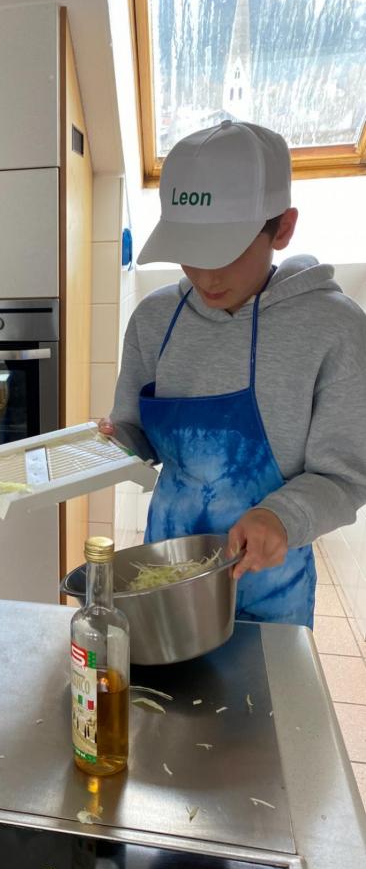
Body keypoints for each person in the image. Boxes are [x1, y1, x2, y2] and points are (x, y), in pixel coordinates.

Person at [101, 120, 366, 628]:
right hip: (168, 572)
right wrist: (116, 443)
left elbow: (345, 477)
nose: (205, 276)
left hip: (271, 587)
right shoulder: (155, 320)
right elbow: (135, 431)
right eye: (190, 252)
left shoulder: (334, 329)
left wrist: (280, 516)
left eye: (225, 251)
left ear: (282, 229)